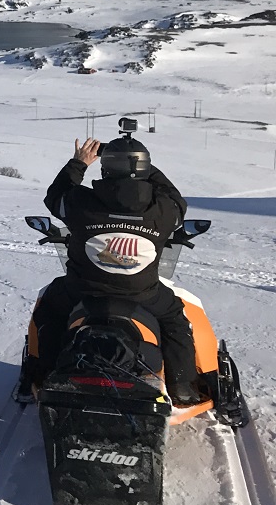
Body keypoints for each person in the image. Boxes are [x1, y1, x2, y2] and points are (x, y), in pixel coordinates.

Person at [28, 127, 201, 404]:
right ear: (144, 168)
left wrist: (79, 163)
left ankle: (46, 375)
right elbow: (176, 199)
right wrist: (139, 163)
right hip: (143, 293)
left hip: (82, 290)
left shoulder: (79, 202)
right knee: (175, 322)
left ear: (106, 168)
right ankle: (181, 386)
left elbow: (55, 196)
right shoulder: (164, 210)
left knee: (49, 311)